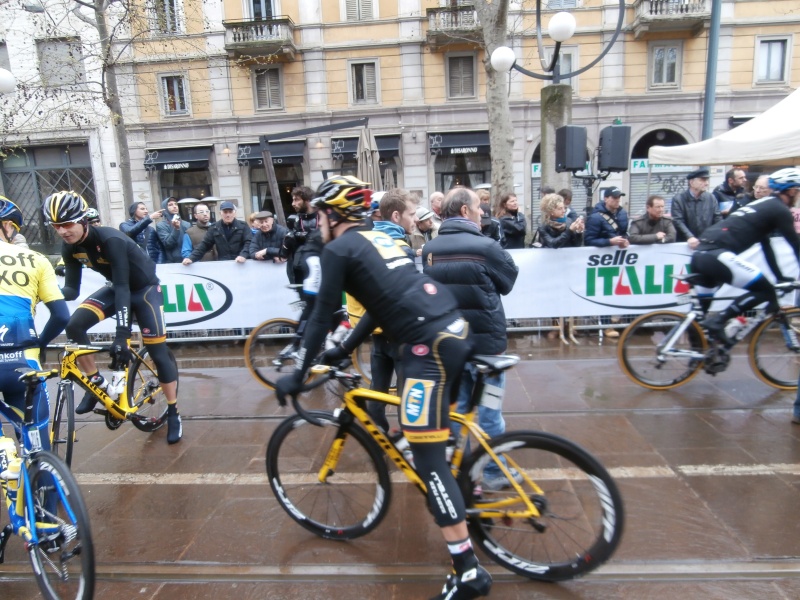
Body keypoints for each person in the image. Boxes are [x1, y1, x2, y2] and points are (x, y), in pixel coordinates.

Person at [275, 176, 492, 600]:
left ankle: (467, 570)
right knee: (439, 442)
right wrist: (344, 351)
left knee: (427, 458)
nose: (316, 221)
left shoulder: (338, 248)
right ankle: (463, 489)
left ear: (333, 214)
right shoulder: (379, 241)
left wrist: (298, 373)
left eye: (319, 213)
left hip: (427, 349)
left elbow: (321, 317)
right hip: (453, 331)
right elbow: (380, 306)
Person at [43, 191, 183, 444]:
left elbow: (123, 287)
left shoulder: (110, 240)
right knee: (75, 325)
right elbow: (72, 290)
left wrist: (122, 335)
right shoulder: (69, 247)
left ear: (83, 220)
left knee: (159, 352)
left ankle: (173, 411)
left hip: (144, 290)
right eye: (56, 226)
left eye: (67, 224)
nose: (62, 231)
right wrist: (41, 293)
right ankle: (95, 384)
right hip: (118, 288)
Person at [422, 187, 519, 491]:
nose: (482, 212)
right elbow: (508, 282)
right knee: (490, 413)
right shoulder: (487, 246)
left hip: (450, 345)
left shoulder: (430, 249)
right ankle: (493, 472)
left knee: (457, 409)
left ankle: (457, 470)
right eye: (478, 207)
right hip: (486, 349)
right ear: (465, 211)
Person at [691, 168, 800, 351]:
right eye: (798, 190)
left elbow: (767, 248)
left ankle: (698, 355)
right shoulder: (779, 210)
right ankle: (718, 321)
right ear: (790, 190)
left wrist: (780, 276)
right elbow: (796, 245)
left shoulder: (763, 207)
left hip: (703, 253)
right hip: (717, 254)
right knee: (765, 290)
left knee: (700, 313)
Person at [0, 198, 70, 453]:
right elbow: (62, 316)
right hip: (23, 361)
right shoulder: (36, 259)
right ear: (8, 226)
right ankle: (42, 484)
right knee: (38, 448)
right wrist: (40, 344)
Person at [585, 187, 630, 339]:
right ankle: (606, 324)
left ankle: (617, 319)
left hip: (618, 258)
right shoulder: (596, 217)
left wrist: (624, 241)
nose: (617, 200)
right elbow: (589, 240)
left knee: (621, 288)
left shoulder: (623, 213)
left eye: (618, 197)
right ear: (606, 199)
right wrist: (609, 241)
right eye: (614, 198)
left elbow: (624, 232)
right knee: (604, 291)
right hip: (601, 261)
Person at [182, 201, 251, 264]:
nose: (228, 215)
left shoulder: (243, 226)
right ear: (220, 213)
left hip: (241, 264)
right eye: (225, 212)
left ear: (235, 213)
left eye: (230, 212)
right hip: (223, 264)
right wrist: (191, 258)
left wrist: (243, 255)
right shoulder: (214, 227)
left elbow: (248, 242)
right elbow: (204, 245)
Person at [670, 168, 721, 249]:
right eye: (703, 180)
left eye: (707, 180)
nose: (707, 183)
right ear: (691, 182)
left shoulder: (711, 198)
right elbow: (678, 221)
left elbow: (717, 218)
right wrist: (689, 236)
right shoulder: (678, 199)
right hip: (685, 245)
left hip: (706, 242)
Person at [155, 197, 190, 263]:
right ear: (165, 208)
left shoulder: (186, 224)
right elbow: (168, 243)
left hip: (188, 260)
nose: (174, 206)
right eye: (170, 205)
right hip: (172, 262)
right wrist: (176, 229)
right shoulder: (161, 225)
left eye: (176, 204)